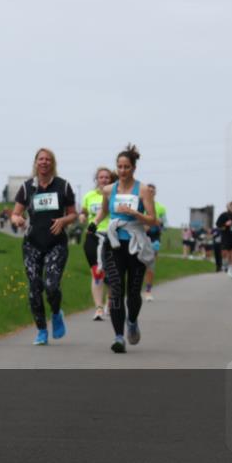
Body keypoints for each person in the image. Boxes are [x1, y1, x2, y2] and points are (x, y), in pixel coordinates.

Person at [92, 144, 159, 353]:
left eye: (127, 167)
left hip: (135, 243)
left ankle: (131, 321)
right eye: (119, 167)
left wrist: (135, 213)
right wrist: (93, 224)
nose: (122, 171)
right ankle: (119, 337)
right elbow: (104, 211)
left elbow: (153, 220)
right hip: (114, 243)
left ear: (133, 168)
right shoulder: (108, 189)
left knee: (132, 292)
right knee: (116, 290)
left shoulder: (144, 189)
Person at [10, 148, 77, 345]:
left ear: (53, 163)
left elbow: (73, 213)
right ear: (36, 162)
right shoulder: (27, 187)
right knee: (34, 287)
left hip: (56, 244)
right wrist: (18, 220)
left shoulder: (63, 186)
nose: (44, 162)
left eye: (48, 159)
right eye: (41, 159)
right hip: (32, 244)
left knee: (51, 285)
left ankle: (56, 313)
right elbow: (15, 213)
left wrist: (64, 221)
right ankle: (41, 330)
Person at [80, 167, 113, 320]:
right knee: (97, 272)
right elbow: (84, 212)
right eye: (101, 177)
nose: (104, 180)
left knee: (111, 272)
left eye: (107, 177)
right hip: (93, 235)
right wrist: (82, 216)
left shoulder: (115, 196)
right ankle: (99, 308)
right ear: (97, 179)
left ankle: (110, 302)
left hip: (112, 235)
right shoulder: (89, 196)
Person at [143, 184, 167, 302]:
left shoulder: (160, 207)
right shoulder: (140, 204)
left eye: (153, 191)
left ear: (155, 193)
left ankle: (148, 290)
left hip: (154, 238)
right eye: (149, 191)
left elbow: (164, 224)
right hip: (140, 236)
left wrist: (157, 223)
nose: (151, 192)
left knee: (150, 265)